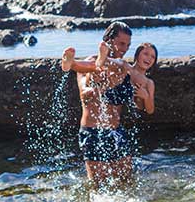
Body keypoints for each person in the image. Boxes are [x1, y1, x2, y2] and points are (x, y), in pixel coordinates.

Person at [59, 22, 156, 186]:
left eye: (128, 45)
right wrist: (101, 88)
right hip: (93, 132)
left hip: (116, 132)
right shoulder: (90, 61)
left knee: (126, 181)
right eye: (121, 44)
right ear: (109, 41)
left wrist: (146, 94)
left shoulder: (122, 68)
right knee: (97, 185)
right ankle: (71, 64)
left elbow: (142, 97)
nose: (125, 49)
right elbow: (84, 93)